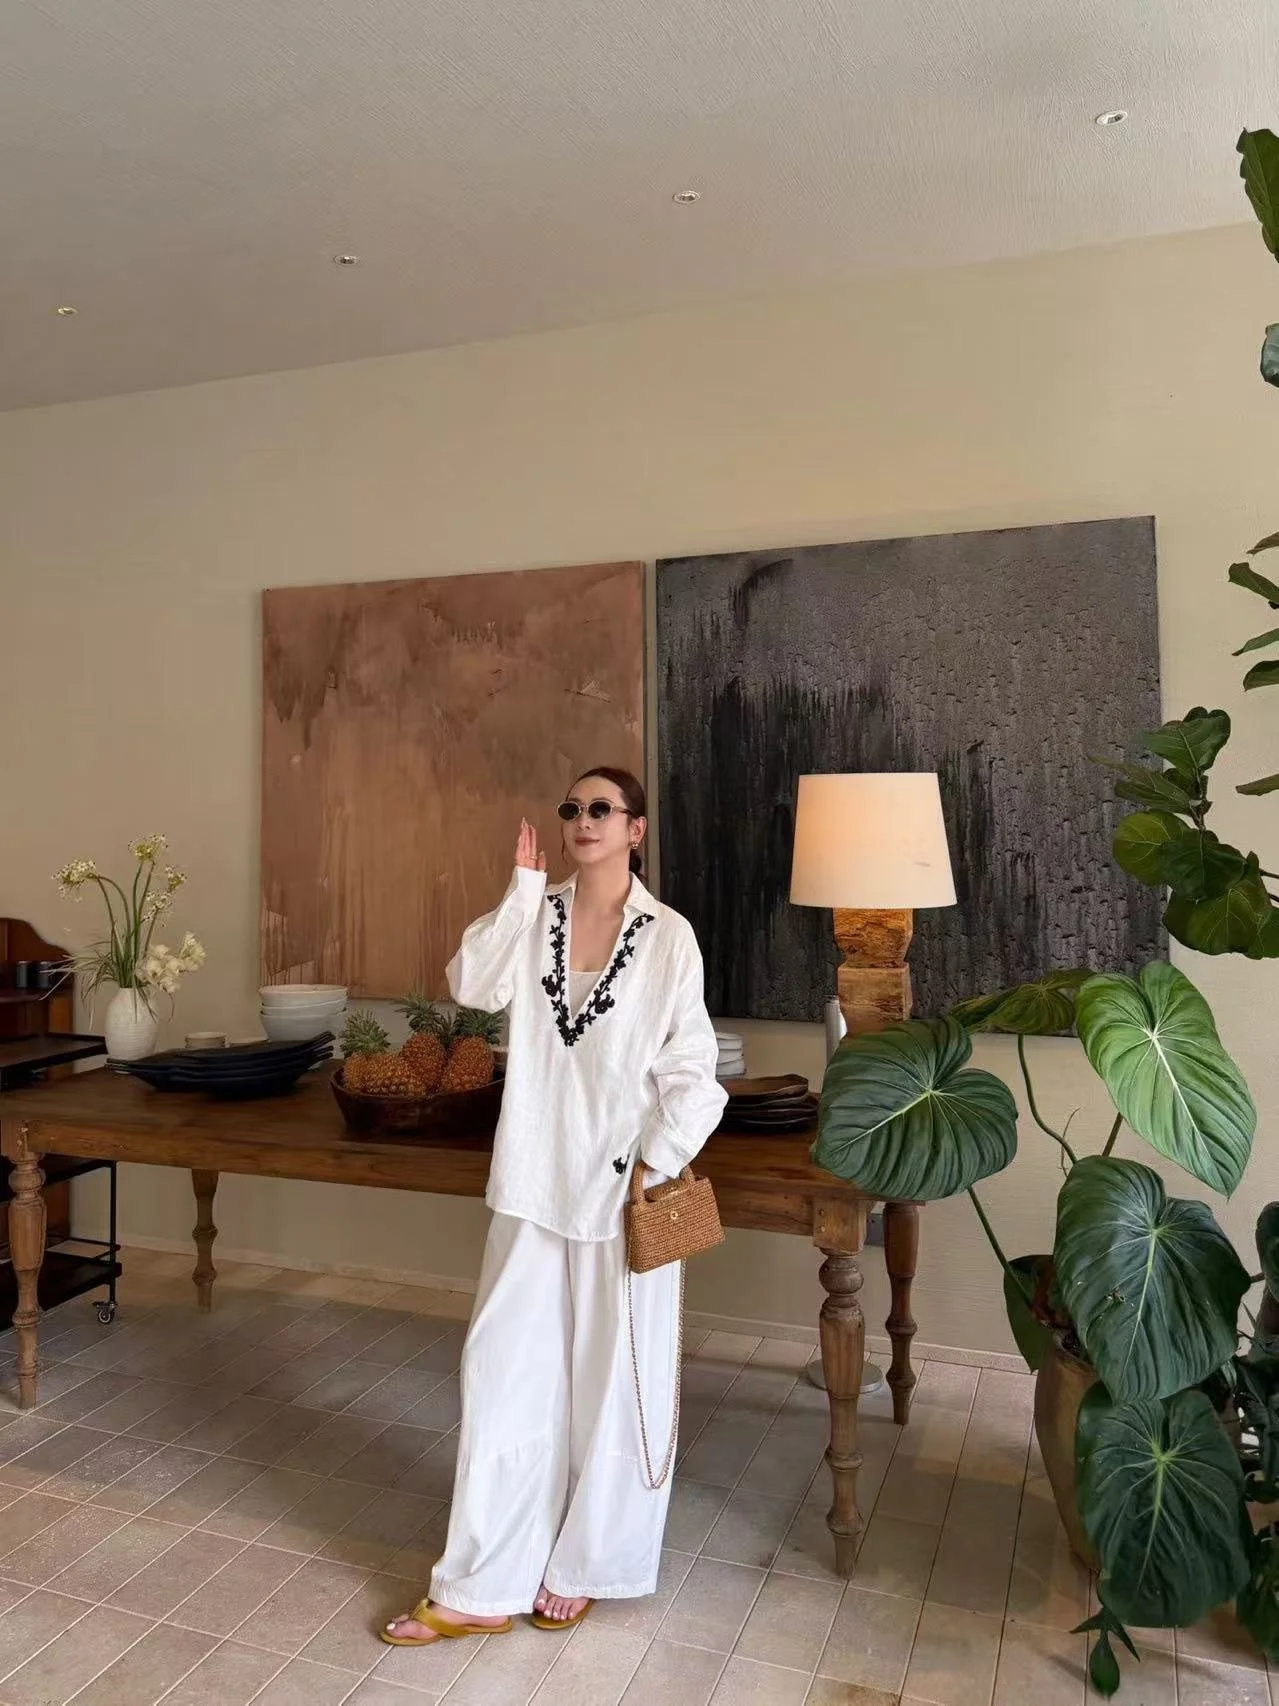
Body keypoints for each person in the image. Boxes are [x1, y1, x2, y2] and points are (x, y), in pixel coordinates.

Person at [382, 766, 727, 1648]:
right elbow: (473, 985)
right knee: (502, 1373)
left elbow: (691, 1066)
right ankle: (480, 1582)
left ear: (635, 829)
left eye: (600, 808)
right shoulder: (535, 915)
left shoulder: (668, 936)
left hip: (621, 1188)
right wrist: (521, 890)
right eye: (571, 808)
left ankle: (585, 1565)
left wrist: (656, 1157)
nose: (582, 819)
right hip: (533, 1180)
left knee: (613, 1385)